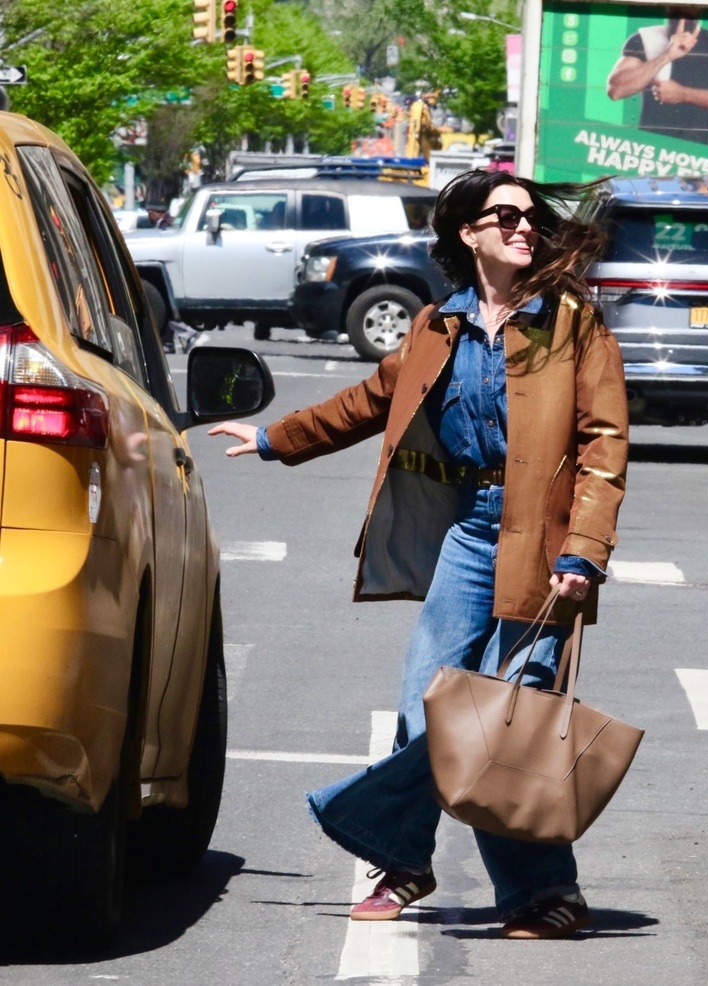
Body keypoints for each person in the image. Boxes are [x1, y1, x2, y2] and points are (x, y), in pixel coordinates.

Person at [208, 170, 629, 940]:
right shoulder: (440, 324)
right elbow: (371, 401)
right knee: (424, 704)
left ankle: (546, 892)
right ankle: (405, 860)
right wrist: (273, 437)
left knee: (509, 718)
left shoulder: (572, 324)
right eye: (506, 216)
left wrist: (584, 549)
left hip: (543, 539)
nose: (524, 228)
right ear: (468, 233)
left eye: (532, 218)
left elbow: (604, 444)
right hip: (469, 529)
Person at [606, 7, 708, 145]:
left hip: (697, 151)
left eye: (689, 9)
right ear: (667, 7)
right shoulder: (645, 39)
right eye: (677, 10)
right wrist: (667, 55)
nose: (682, 19)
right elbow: (615, 91)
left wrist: (683, 94)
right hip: (650, 148)